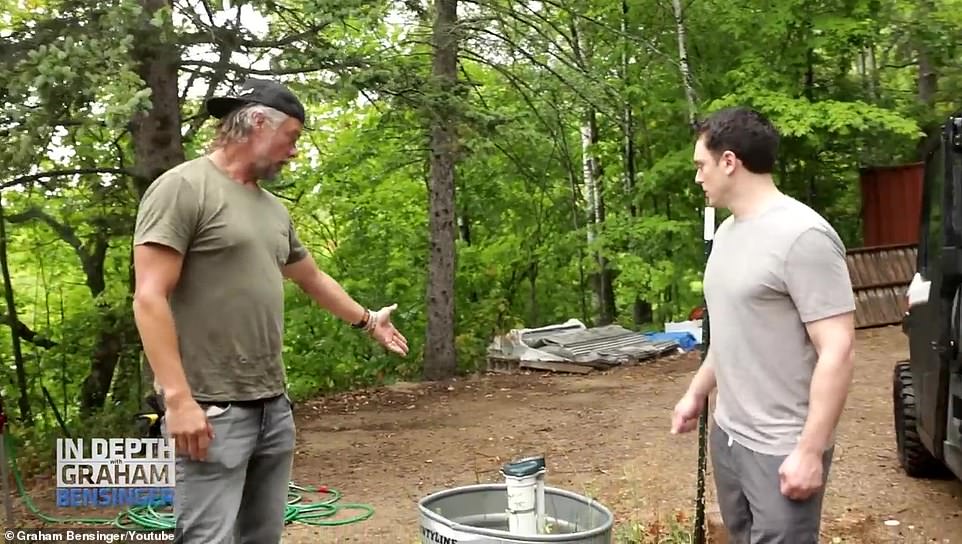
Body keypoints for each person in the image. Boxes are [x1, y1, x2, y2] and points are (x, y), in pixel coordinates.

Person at [131, 78, 409, 543]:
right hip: (210, 409)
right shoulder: (183, 188)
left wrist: (366, 320)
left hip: (272, 406)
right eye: (293, 138)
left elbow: (312, 277)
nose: (294, 152)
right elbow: (149, 297)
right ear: (259, 121)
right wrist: (178, 400)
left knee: (262, 536)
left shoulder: (273, 210)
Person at [670, 107, 856, 543]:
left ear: (729, 161)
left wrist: (809, 451)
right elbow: (732, 331)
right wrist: (697, 393)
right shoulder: (728, 234)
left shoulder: (803, 236)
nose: (698, 177)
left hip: (780, 448)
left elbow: (839, 350)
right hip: (730, 435)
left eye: (701, 165)